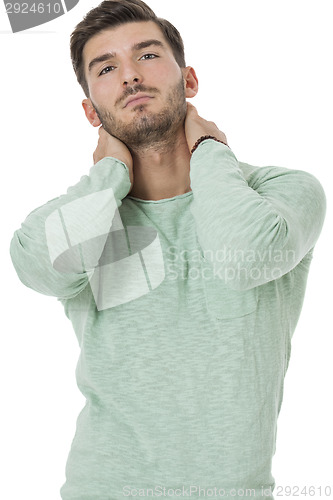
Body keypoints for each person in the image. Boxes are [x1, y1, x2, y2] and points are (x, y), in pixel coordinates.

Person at [9, 0, 326, 499]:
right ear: (91, 111)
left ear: (190, 81)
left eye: (148, 56)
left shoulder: (281, 194)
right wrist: (109, 174)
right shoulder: (85, 215)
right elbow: (35, 268)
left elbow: (242, 256)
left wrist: (210, 151)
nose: (130, 76)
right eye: (107, 68)